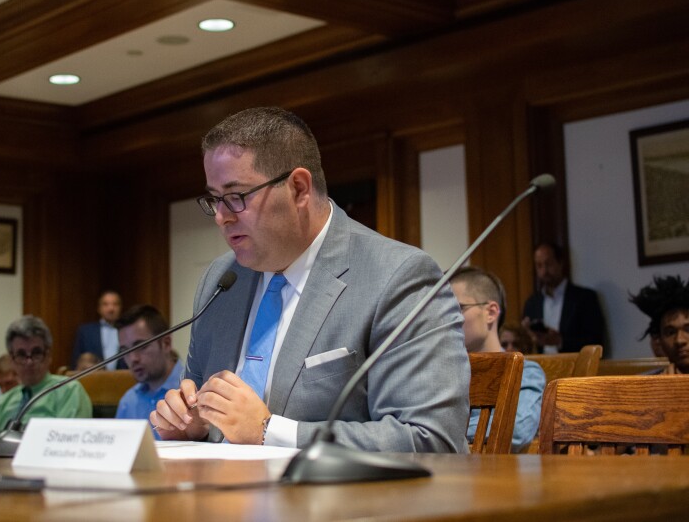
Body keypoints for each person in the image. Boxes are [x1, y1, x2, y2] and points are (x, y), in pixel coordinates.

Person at [150, 107, 469, 452]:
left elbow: (432, 439)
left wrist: (268, 431)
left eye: (236, 197)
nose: (221, 218)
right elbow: (202, 411)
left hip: (341, 503)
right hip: (220, 498)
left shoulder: (397, 277)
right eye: (214, 199)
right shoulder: (221, 280)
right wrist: (188, 424)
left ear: (299, 188)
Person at [451, 267, 545, 453]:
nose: (446, 319)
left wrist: (442, 428)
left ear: (491, 313)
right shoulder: (446, 372)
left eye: (457, 308)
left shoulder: (526, 372)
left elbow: (516, 428)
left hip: (503, 477)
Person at [0, 315, 92, 436]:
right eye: (21, 354)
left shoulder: (69, 390)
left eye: (36, 353)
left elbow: (68, 440)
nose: (29, 362)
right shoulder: (4, 400)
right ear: (11, 360)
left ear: (48, 355)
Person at [522, 242, 607, 355]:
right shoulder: (532, 303)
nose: (544, 270)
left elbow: (596, 342)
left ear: (560, 263)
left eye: (548, 264)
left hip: (575, 368)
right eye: (539, 265)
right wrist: (524, 333)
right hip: (540, 367)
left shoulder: (584, 298)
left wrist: (559, 341)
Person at [115, 305, 183, 439]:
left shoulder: (195, 389)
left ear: (166, 343)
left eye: (141, 346)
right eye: (125, 352)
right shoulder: (128, 402)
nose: (133, 359)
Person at [629, 275, 689, 374]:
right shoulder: (644, 385)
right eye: (670, 332)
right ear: (658, 341)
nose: (679, 340)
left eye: (688, 330)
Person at [70, 290, 126, 370]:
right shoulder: (85, 332)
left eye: (115, 304)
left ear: (121, 307)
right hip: (93, 380)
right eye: (105, 304)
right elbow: (75, 363)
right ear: (99, 308)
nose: (111, 308)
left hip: (124, 380)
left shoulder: (128, 331)